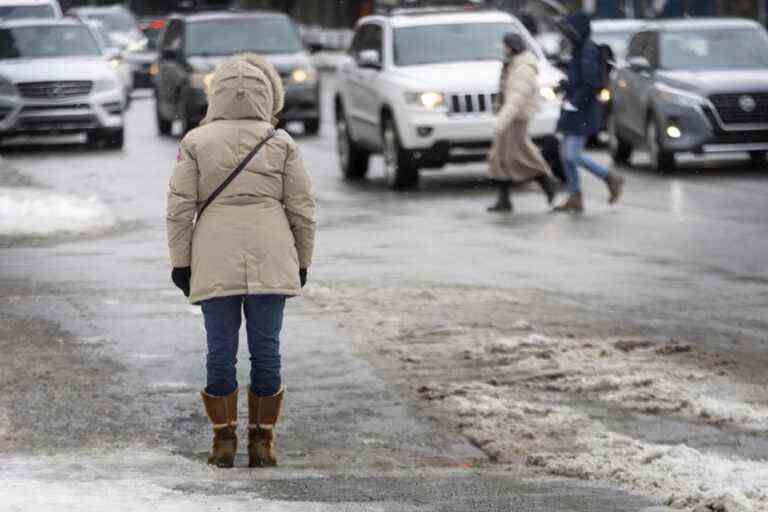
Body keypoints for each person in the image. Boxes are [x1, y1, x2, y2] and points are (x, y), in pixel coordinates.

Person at [166, 54, 316, 468]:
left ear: (215, 95)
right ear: (267, 94)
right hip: (273, 251)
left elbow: (180, 208)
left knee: (220, 350)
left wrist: (181, 261)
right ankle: (263, 440)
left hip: (213, 254)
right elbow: (301, 208)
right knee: (267, 351)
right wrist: (302, 260)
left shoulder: (195, 142)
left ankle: (223, 439)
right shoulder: (280, 142)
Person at [554, 12, 624, 213]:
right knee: (565, 155)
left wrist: (574, 102)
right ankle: (575, 196)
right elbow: (579, 79)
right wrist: (564, 86)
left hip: (582, 111)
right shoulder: (579, 50)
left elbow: (591, 83)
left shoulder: (587, 51)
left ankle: (610, 178)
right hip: (574, 110)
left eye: (569, 32)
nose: (567, 36)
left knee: (572, 155)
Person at [488, 32, 558, 212]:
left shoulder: (523, 68)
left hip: (516, 119)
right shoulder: (513, 64)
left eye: (505, 45)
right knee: (501, 157)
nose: (503, 49)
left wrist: (501, 121)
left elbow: (516, 98)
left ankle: (546, 182)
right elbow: (505, 92)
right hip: (510, 117)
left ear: (511, 46)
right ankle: (504, 200)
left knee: (519, 156)